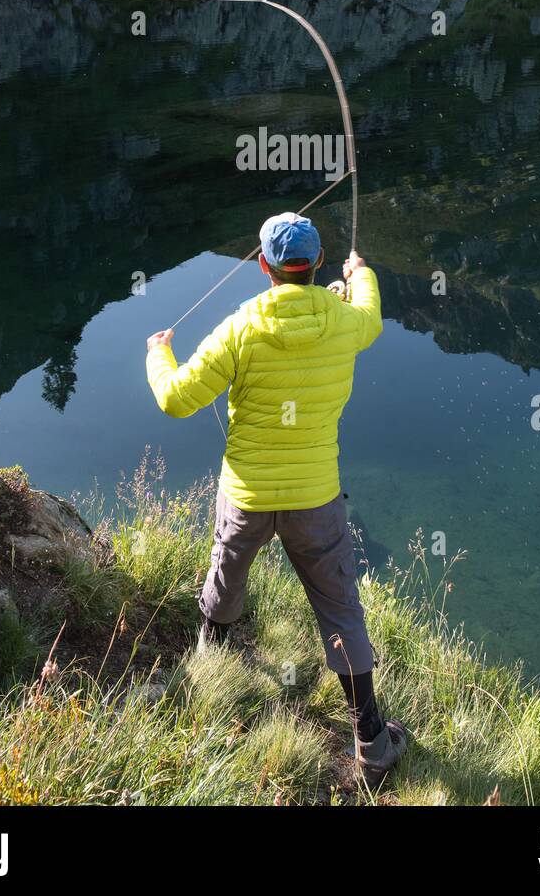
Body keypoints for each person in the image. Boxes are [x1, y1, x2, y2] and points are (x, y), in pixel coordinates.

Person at [146, 211, 408, 782]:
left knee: (227, 575)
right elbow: (371, 316)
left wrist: (158, 353)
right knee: (339, 608)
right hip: (316, 497)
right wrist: (361, 273)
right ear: (315, 264)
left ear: (263, 265)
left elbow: (175, 400)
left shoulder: (240, 327)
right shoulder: (345, 321)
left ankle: (209, 668)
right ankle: (372, 742)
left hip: (247, 493)